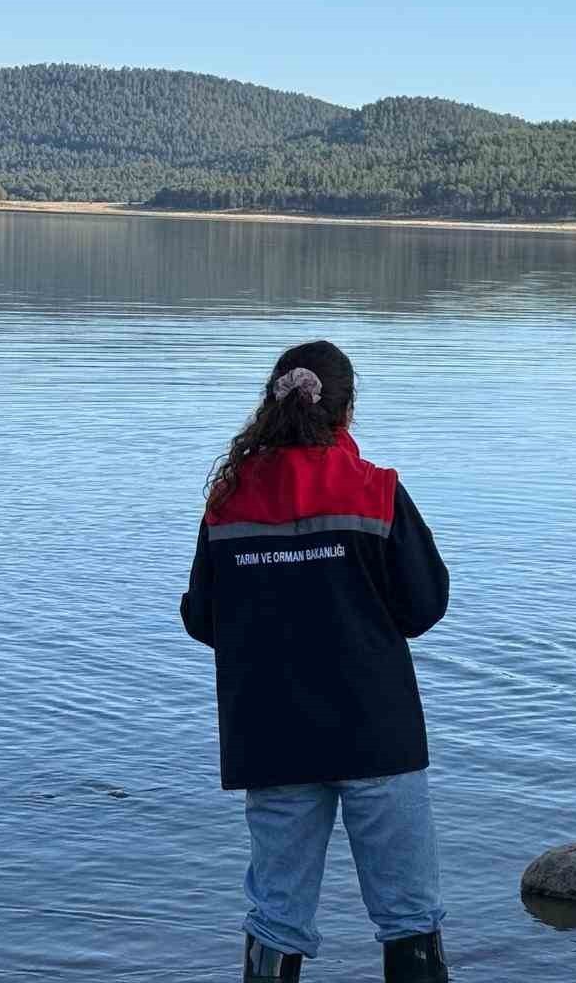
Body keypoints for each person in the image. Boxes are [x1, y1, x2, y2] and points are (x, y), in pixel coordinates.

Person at [181, 341, 451, 983]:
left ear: (270, 406)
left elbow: (202, 617)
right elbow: (424, 605)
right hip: (376, 733)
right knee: (408, 914)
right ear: (346, 410)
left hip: (271, 736)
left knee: (276, 916)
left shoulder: (228, 499)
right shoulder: (377, 492)